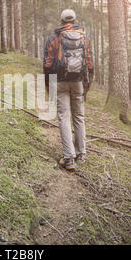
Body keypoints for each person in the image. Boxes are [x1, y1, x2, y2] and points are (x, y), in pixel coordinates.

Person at [43, 9, 94, 171]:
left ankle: (68, 158)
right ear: (74, 20)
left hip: (59, 82)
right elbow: (90, 64)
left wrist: (48, 86)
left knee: (64, 117)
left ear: (61, 21)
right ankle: (81, 154)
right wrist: (87, 85)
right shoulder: (84, 38)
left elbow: (47, 64)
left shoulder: (53, 38)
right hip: (78, 82)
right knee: (79, 116)